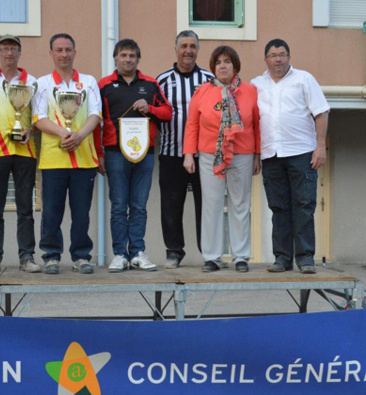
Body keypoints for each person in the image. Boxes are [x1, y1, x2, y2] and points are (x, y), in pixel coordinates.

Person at [251, 39, 329, 274]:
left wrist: (321, 145)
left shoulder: (304, 79)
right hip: (271, 154)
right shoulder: (256, 84)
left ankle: (305, 259)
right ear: (266, 59)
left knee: (304, 206)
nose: (278, 59)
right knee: (279, 207)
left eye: (282, 54)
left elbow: (321, 111)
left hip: (302, 153)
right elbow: (251, 121)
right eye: (273, 55)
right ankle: (282, 258)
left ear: (289, 57)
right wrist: (256, 154)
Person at [94, 39, 172, 273]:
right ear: (115, 58)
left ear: (138, 59)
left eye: (132, 56)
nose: (128, 59)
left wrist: (151, 109)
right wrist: (99, 154)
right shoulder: (104, 85)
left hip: (145, 153)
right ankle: (119, 253)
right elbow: (94, 121)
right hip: (115, 153)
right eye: (123, 55)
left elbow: (167, 112)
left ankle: (137, 251)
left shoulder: (150, 84)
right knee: (118, 205)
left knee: (139, 206)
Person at [183, 45, 261, 273]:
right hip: (209, 156)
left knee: (240, 204)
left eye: (227, 61)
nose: (223, 66)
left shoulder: (250, 91)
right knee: (212, 204)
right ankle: (212, 257)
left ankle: (241, 257)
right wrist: (189, 154)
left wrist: (257, 154)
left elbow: (257, 124)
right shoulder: (202, 92)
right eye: (218, 62)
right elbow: (192, 125)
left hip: (243, 154)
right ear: (213, 67)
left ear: (235, 66)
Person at [33, 33, 102, 275]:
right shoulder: (42, 83)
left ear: (75, 52)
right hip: (54, 158)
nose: (64, 54)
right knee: (51, 210)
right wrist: (65, 133)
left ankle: (81, 255)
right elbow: (38, 118)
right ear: (51, 53)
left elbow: (96, 113)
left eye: (68, 50)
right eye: (59, 50)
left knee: (81, 212)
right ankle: (51, 255)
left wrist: (80, 135)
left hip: (84, 158)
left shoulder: (89, 81)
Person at [0, 35, 40, 274]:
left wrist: (31, 129)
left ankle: (27, 257)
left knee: (25, 207)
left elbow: (40, 115)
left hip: (25, 150)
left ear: (19, 52)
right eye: (4, 48)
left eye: (13, 49)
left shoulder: (32, 82)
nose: (9, 53)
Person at [156, 30, 214, 269]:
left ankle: (209, 252)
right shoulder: (162, 80)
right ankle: (174, 251)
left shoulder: (211, 79)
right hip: (171, 153)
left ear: (198, 50)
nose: (188, 50)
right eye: (183, 46)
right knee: (171, 205)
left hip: (206, 155)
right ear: (176, 49)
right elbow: (155, 115)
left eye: (192, 46)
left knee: (207, 205)